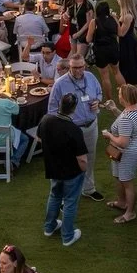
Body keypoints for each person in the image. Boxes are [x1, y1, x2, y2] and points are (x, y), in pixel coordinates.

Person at [48, 54, 104, 201]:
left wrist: (97, 101)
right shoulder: (60, 84)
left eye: (81, 67)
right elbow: (52, 110)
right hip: (71, 130)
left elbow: (99, 92)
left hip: (91, 125)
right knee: (68, 162)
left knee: (90, 158)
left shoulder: (91, 77)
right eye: (75, 68)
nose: (79, 70)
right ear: (69, 67)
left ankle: (89, 188)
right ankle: (63, 196)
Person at [39, 92, 87, 247]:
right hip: (71, 173)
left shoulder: (46, 120)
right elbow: (82, 159)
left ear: (59, 105)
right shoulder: (74, 130)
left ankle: (49, 227)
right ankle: (67, 236)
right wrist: (83, 171)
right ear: (74, 109)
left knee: (54, 196)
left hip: (53, 169)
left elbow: (39, 137)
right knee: (70, 202)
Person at [103, 84, 137, 223]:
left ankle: (130, 212)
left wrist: (109, 135)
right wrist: (114, 109)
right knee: (119, 177)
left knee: (127, 182)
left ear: (124, 97)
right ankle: (121, 202)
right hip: (127, 150)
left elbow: (122, 142)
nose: (118, 95)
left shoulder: (126, 118)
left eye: (120, 94)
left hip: (127, 153)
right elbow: (125, 117)